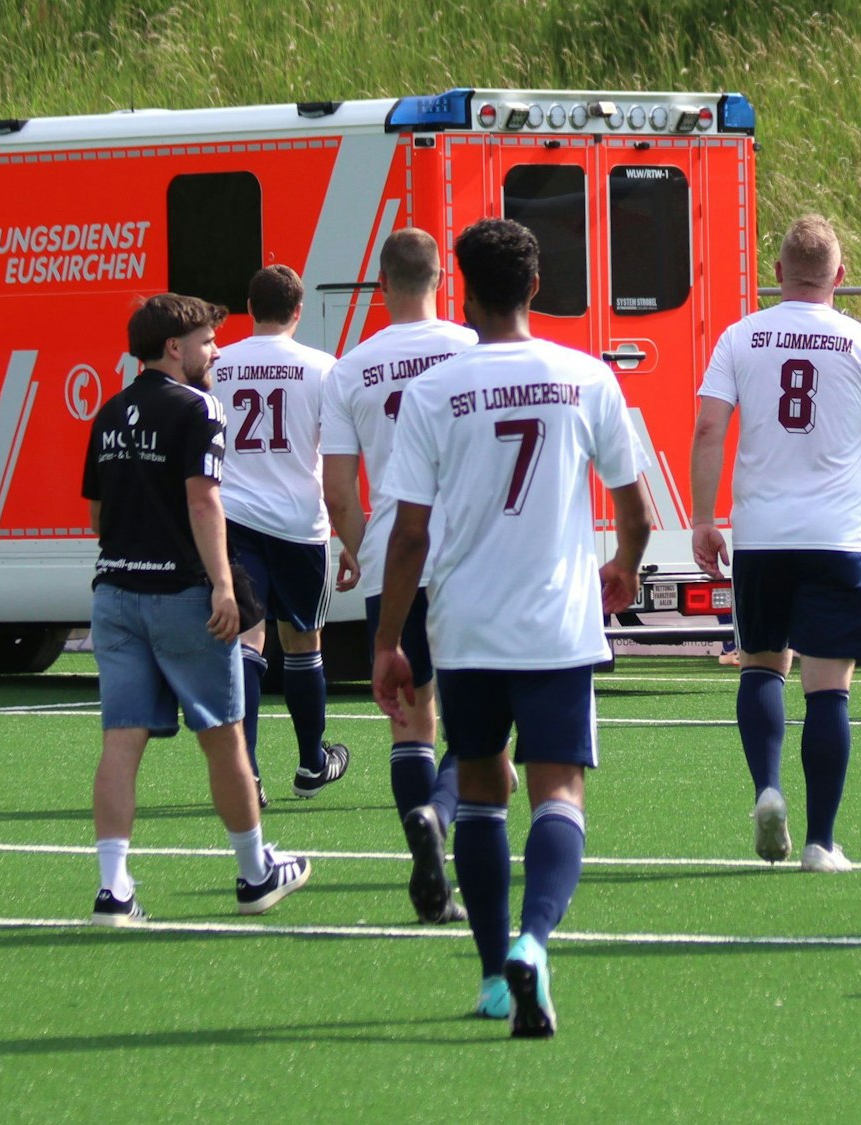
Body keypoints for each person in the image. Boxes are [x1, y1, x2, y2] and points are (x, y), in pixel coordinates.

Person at [373, 218, 650, 1036]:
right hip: (557, 624)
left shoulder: (433, 391)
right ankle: (535, 939)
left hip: (465, 625)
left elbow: (410, 534)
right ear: (535, 286)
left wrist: (389, 639)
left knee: (482, 793)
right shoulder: (586, 376)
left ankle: (495, 975)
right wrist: (625, 565)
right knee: (558, 790)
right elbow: (635, 510)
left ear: (463, 291)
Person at [690, 215, 861, 874]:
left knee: (762, 666)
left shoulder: (741, 335)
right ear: (840, 276)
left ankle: (768, 788)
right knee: (828, 690)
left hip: (762, 536)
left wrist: (703, 518)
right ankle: (821, 841)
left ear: (777, 273)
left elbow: (709, 429)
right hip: (836, 537)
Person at [82, 294, 312, 925]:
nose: (215, 352)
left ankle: (113, 889)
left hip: (114, 595)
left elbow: (98, 514)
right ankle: (254, 873)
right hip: (182, 596)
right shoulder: (198, 407)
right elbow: (204, 501)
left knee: (121, 741)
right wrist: (222, 585)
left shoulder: (109, 411)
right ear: (174, 347)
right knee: (223, 736)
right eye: (208, 341)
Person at [322, 227, 489, 924]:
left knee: (409, 719)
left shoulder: (350, 368)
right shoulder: (471, 347)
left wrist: (367, 553)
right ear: (441, 280)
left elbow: (338, 492)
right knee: (483, 718)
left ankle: (431, 870)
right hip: (471, 549)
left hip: (396, 553)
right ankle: (441, 819)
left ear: (383, 284)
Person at [212, 265, 350, 804]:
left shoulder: (219, 363)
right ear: (298, 311)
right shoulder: (322, 367)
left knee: (247, 641)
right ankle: (312, 763)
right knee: (303, 641)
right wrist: (350, 535)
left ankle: (247, 774)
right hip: (298, 523)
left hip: (235, 518)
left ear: (249, 307)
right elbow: (335, 453)